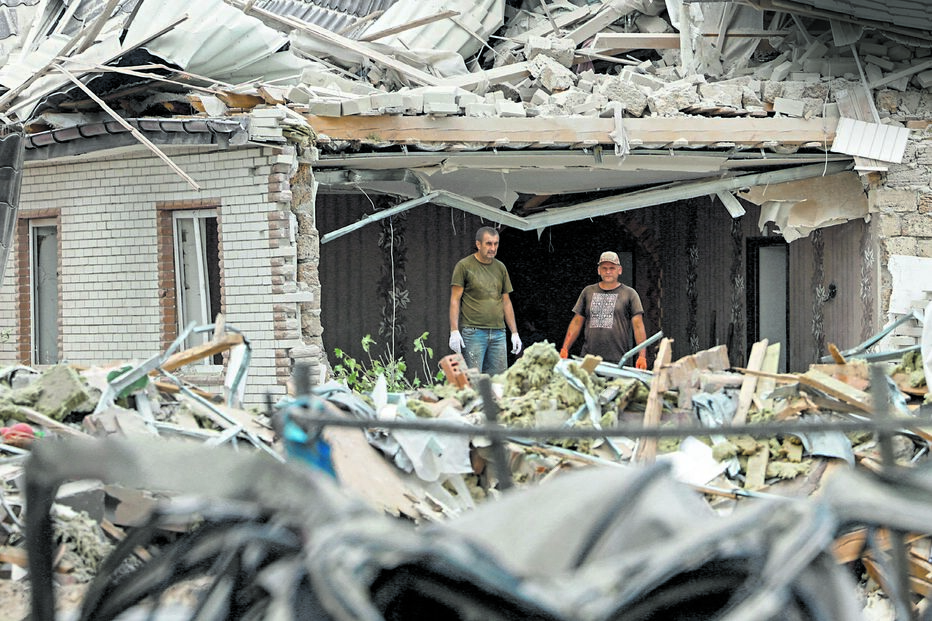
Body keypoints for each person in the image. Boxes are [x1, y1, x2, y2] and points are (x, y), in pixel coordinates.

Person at [449, 226, 522, 375]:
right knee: (474, 381)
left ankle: (492, 400)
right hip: (474, 332)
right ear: (478, 244)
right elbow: (455, 300)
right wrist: (454, 330)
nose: (493, 248)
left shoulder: (500, 267)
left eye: (496, 243)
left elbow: (506, 301)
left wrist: (514, 332)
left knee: (499, 381)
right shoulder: (464, 266)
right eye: (489, 243)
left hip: (499, 333)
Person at [560, 251, 648, 369]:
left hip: (618, 361)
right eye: (604, 268)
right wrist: (565, 348)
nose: (608, 272)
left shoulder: (630, 294)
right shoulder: (588, 292)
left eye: (612, 268)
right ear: (599, 270)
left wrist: (642, 356)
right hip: (589, 359)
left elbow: (638, 326)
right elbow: (577, 322)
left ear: (619, 270)